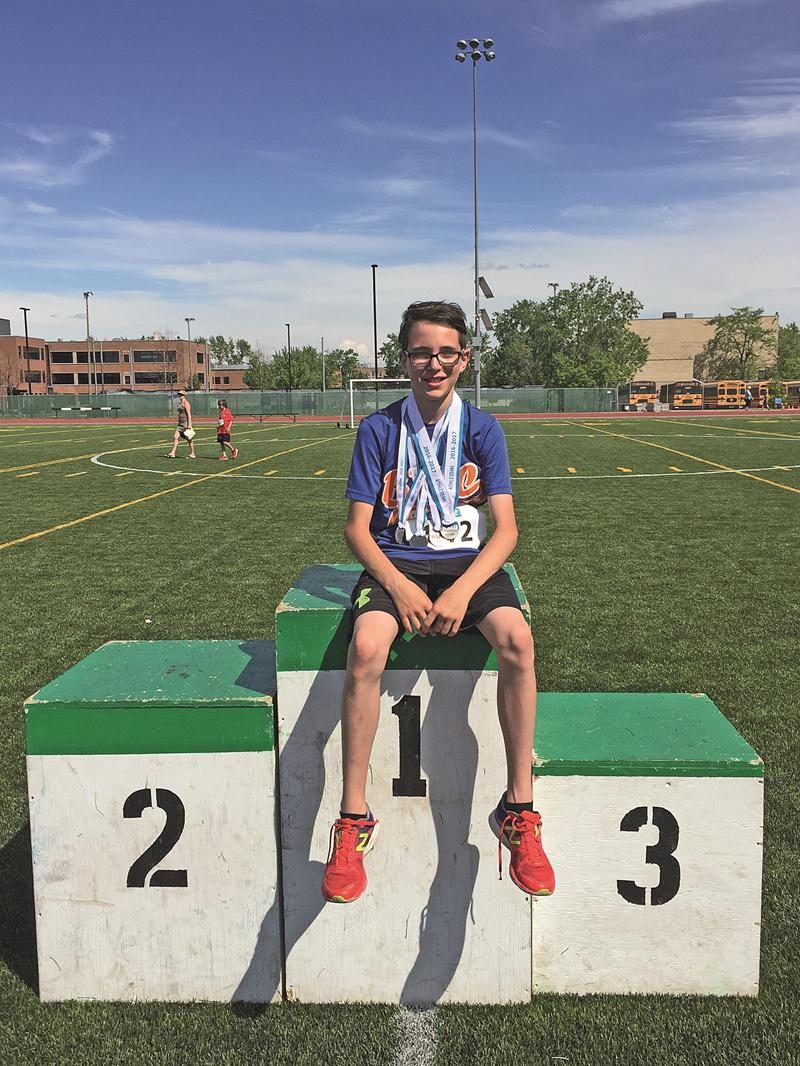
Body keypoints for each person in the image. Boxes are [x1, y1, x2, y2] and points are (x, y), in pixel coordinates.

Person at [321, 300, 555, 905]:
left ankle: (519, 810)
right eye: (422, 351)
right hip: (397, 563)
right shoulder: (378, 429)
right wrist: (397, 586)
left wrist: (461, 590)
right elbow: (356, 528)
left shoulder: (482, 429)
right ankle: (352, 821)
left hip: (464, 565)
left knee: (518, 640)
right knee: (368, 646)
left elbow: (505, 530)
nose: (434, 363)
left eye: (446, 352)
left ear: (463, 359)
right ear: (404, 359)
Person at [166, 389, 196, 459]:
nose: (180, 396)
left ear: (184, 395)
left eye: (181, 395)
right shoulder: (180, 403)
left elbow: (189, 414)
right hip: (180, 423)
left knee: (189, 439)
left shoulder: (186, 403)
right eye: (179, 394)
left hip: (185, 423)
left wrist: (189, 425)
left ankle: (192, 453)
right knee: (175, 437)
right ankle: (173, 453)